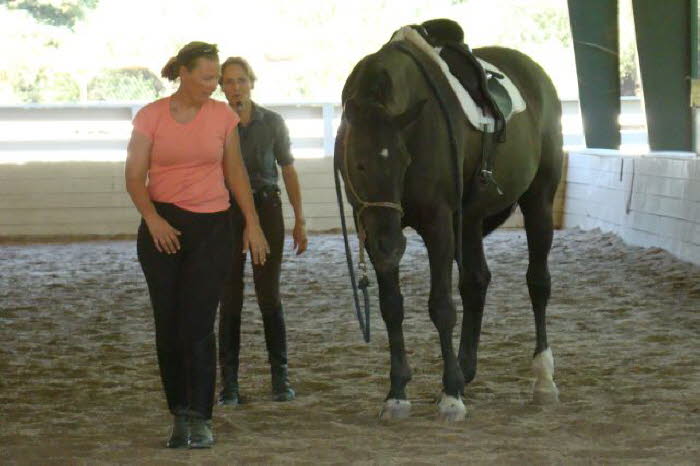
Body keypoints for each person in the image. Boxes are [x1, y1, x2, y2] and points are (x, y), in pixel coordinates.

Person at [125, 42, 269, 449]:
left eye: (216, 79)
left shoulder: (222, 116)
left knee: (198, 324)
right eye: (207, 78)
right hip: (162, 227)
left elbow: (236, 171)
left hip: (212, 227)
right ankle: (179, 415)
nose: (215, 86)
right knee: (168, 325)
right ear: (184, 73)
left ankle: (203, 416)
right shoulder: (150, 117)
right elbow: (135, 176)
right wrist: (153, 219)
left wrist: (252, 223)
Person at [217, 56, 308, 406]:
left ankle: (280, 377)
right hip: (226, 211)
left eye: (240, 80)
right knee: (230, 297)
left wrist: (299, 219)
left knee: (268, 293)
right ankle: (229, 384)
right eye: (228, 81)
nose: (235, 87)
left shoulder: (272, 122)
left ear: (251, 83)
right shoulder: (216, 122)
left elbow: (288, 170)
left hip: (267, 206)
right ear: (222, 86)